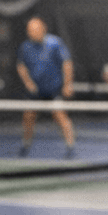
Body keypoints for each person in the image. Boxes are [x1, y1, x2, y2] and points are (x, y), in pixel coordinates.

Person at [16, 17, 76, 157]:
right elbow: (21, 66)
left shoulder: (55, 43)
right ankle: (26, 144)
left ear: (43, 29)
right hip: (35, 91)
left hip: (53, 89)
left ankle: (70, 146)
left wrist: (68, 84)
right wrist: (28, 82)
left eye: (35, 29)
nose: (32, 32)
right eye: (29, 30)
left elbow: (67, 63)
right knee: (28, 117)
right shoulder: (25, 47)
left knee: (60, 116)